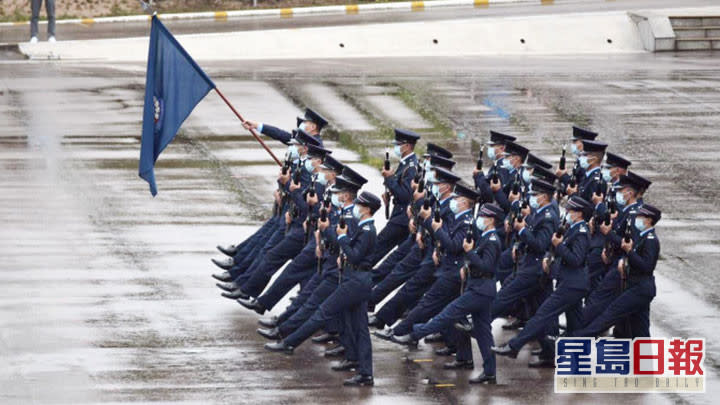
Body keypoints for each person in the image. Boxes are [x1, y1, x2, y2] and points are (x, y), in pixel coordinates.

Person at [265, 191, 381, 387]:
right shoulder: (363, 227)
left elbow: (354, 255)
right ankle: (362, 369)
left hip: (355, 282)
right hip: (354, 279)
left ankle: (290, 342)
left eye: (360, 206)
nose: (357, 208)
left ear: (368, 209)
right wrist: (331, 234)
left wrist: (343, 238)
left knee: (322, 312)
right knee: (358, 326)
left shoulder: (368, 231)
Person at [407, 203, 504, 384]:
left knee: (448, 314)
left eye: (483, 217)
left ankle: (416, 332)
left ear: (491, 220)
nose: (480, 220)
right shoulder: (485, 236)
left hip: (480, 290)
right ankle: (490, 372)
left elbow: (486, 266)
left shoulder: (492, 240)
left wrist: (470, 253)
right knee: (483, 333)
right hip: (481, 288)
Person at [493, 196, 593, 366]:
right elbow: (556, 251)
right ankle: (560, 357)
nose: (567, 213)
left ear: (579, 214)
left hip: (572, 285)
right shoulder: (573, 228)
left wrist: (559, 245)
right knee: (575, 324)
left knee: (543, 314)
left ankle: (514, 346)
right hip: (571, 283)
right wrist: (550, 257)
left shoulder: (581, 232)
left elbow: (576, 259)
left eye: (570, 211)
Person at [571, 203, 661, 338]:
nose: (638, 218)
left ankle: (575, 339)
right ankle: (644, 358)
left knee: (610, 314)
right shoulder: (642, 236)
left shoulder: (651, 240)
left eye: (641, 216)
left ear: (649, 220)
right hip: (636, 286)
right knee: (639, 328)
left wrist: (629, 252)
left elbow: (647, 267)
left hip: (640, 288)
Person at [368, 129, 420, 265]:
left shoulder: (412, 167)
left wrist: (390, 178)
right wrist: (390, 192)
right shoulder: (406, 163)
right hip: (400, 216)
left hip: (401, 218)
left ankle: (359, 276)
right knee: (399, 258)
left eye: (399, 144)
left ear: (407, 146)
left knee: (377, 247)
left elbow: (406, 195)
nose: (396, 147)